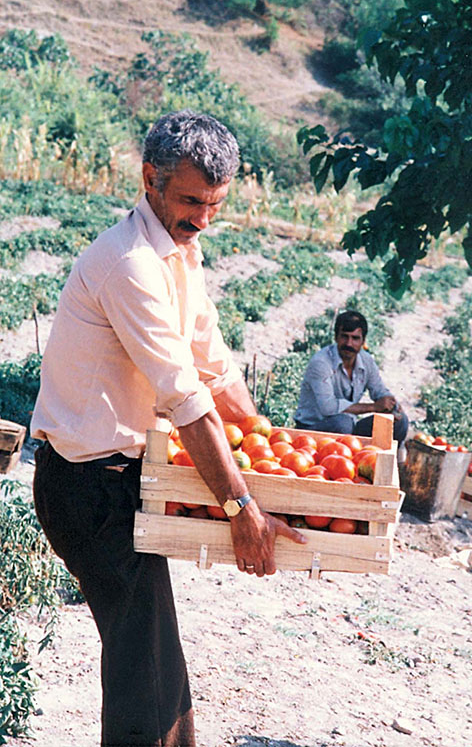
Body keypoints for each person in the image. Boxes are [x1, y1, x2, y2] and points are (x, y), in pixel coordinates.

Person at [30, 109, 306, 747]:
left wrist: (273, 445)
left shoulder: (181, 250)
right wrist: (241, 507)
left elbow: (214, 366)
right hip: (88, 484)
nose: (202, 218)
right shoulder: (130, 265)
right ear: (149, 178)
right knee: (143, 670)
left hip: (125, 477)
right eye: (189, 201)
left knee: (152, 660)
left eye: (215, 204)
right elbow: (184, 397)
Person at [294, 309, 408, 445]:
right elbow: (328, 407)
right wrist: (374, 407)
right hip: (313, 429)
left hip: (348, 428)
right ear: (336, 337)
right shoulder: (321, 363)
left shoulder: (366, 361)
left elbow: (378, 390)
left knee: (400, 421)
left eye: (355, 338)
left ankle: (393, 462)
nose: (349, 344)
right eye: (344, 337)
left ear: (363, 341)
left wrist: (391, 403)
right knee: (343, 423)